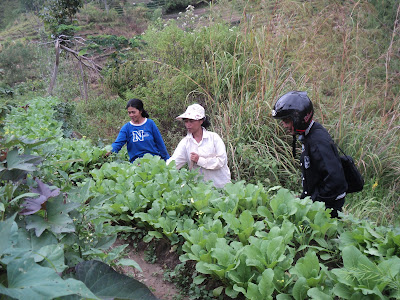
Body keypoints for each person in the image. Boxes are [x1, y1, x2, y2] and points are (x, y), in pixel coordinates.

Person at [272, 91, 347, 218]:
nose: (284, 125)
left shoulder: (317, 141)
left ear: (299, 119)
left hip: (328, 206)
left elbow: (335, 179)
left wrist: (315, 201)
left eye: (286, 121)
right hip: (322, 201)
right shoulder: (309, 134)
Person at [167, 104, 231, 188]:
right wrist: (160, 170)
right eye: (186, 121)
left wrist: (199, 160)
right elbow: (174, 162)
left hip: (220, 186)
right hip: (200, 190)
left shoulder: (214, 138)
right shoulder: (185, 143)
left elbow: (221, 161)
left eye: (191, 121)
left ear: (201, 121)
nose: (188, 125)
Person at [107, 98, 170, 163]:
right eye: (129, 113)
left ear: (140, 111)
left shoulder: (150, 124)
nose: (131, 115)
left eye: (133, 112)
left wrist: (168, 160)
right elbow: (118, 144)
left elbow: (160, 144)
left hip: (154, 162)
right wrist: (108, 151)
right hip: (136, 164)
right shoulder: (127, 128)